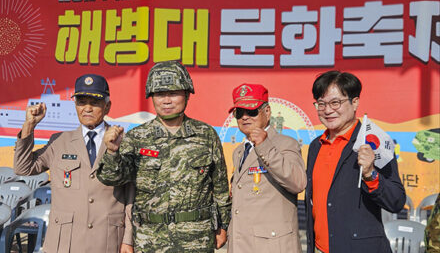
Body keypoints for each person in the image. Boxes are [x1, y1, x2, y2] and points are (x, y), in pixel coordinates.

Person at [96, 61, 231, 252]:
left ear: (186, 94)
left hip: (196, 239)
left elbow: (220, 187)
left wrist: (223, 225)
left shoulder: (205, 134)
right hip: (151, 239)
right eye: (159, 94)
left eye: (173, 93)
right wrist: (112, 152)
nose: (166, 100)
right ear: (152, 97)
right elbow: (112, 178)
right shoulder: (137, 137)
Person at [14, 74, 134, 253]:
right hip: (65, 243)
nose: (87, 108)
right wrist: (29, 126)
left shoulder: (123, 142)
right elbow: (23, 167)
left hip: (108, 241)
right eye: (81, 102)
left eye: (94, 102)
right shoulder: (60, 141)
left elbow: (131, 195)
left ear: (107, 106)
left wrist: (128, 239)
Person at [305, 71, 406, 253]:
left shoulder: (373, 142)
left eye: (335, 102)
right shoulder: (315, 146)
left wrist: (370, 174)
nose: (328, 110)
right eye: (321, 103)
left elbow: (396, 201)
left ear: (355, 102)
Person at [227, 83, 307, 253]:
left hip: (272, 247)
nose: (245, 117)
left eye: (252, 111)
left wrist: (264, 146)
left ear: (267, 112)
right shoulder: (239, 151)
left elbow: (298, 183)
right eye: (239, 113)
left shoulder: (285, 144)